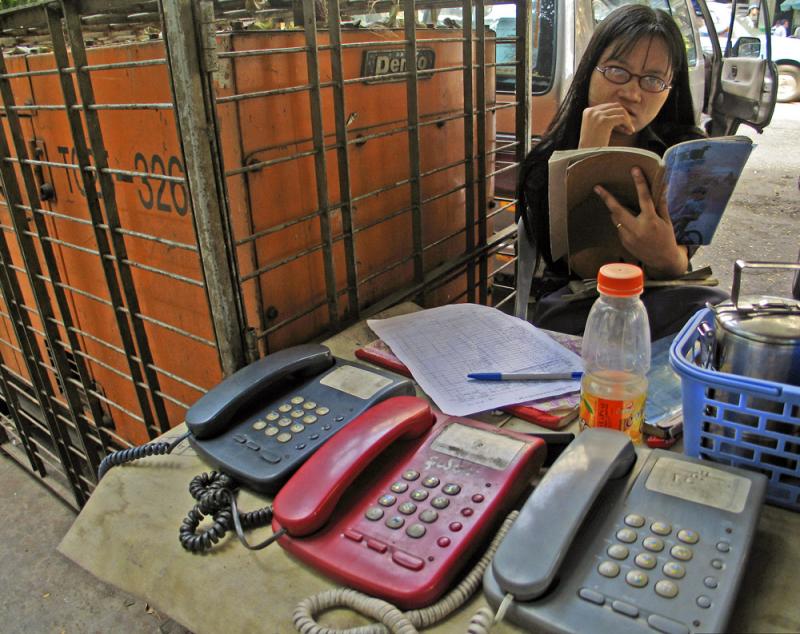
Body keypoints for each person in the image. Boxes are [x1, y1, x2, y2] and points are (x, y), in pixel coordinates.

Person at [516, 4, 728, 339]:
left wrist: (665, 255)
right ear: (590, 71)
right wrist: (586, 158)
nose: (631, 93)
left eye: (653, 80)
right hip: (580, 305)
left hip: (664, 298)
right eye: (617, 71)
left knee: (716, 318)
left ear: (670, 88)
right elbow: (580, 265)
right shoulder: (545, 163)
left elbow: (679, 264)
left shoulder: (687, 154)